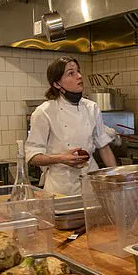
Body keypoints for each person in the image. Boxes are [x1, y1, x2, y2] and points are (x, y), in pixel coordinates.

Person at [26, 56, 118, 195]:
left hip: (91, 185)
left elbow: (104, 147)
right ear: (57, 84)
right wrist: (61, 158)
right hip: (60, 189)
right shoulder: (44, 112)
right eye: (71, 73)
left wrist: (117, 178)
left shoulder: (91, 107)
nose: (79, 76)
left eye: (78, 71)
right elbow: (32, 156)